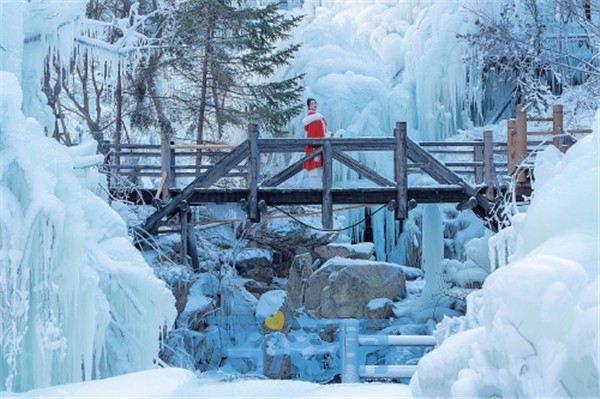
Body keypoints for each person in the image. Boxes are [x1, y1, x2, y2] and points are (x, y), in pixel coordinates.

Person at [302, 98, 328, 188]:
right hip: (315, 148)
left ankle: (315, 191)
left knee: (317, 172)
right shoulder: (315, 118)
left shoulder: (316, 117)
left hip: (315, 148)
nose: (315, 105)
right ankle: (316, 193)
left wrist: (327, 135)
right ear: (309, 106)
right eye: (312, 103)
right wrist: (324, 138)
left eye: (315, 103)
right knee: (316, 172)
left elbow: (321, 132)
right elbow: (316, 134)